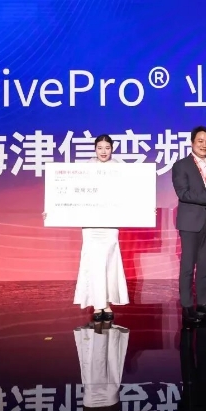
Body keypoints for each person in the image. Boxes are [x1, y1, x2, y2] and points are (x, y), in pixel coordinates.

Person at [43, 134, 129, 322]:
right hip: (90, 224)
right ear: (95, 149)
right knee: (94, 262)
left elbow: (130, 194)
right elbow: (69, 194)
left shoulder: (119, 169)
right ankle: (98, 305)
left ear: (112, 149)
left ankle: (107, 303)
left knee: (109, 262)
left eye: (107, 148)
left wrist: (144, 210)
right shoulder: (85, 169)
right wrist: (53, 211)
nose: (103, 151)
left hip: (110, 223)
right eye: (100, 148)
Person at [171, 126, 206, 324]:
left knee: (204, 265)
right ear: (192, 142)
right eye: (200, 141)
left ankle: (203, 303)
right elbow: (183, 193)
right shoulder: (181, 165)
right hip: (190, 222)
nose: (204, 145)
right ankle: (187, 306)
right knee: (188, 266)